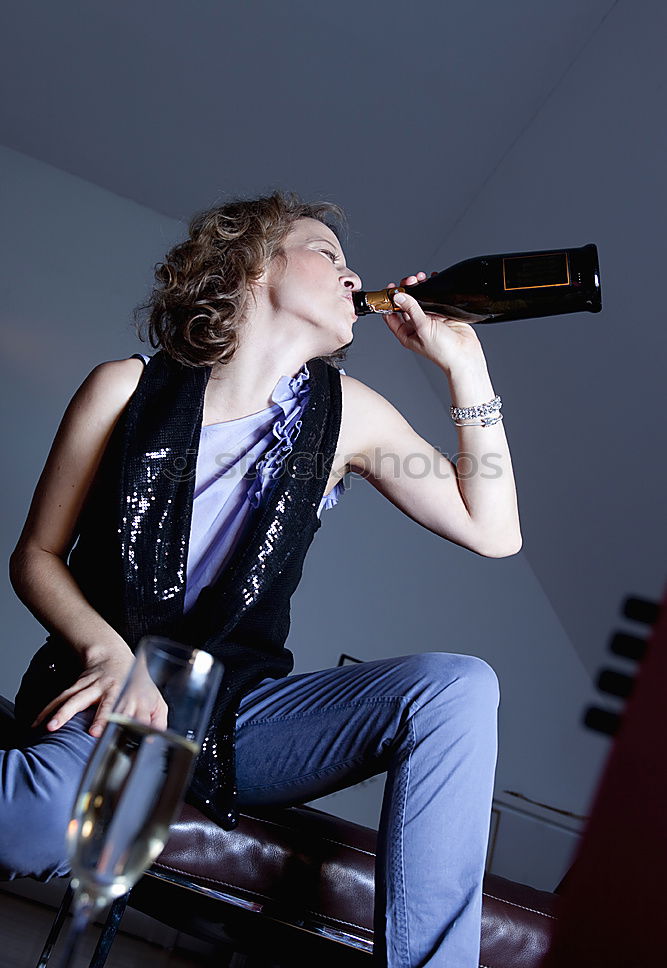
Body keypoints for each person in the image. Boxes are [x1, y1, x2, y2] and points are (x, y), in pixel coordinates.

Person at [3, 191, 521, 967]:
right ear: (249, 264)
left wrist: (465, 366)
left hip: (241, 717)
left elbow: (494, 530)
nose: (354, 279)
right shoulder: (122, 389)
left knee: (455, 687)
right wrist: (108, 653)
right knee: (42, 827)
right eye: (327, 255)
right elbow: (36, 556)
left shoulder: (349, 419)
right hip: (112, 692)